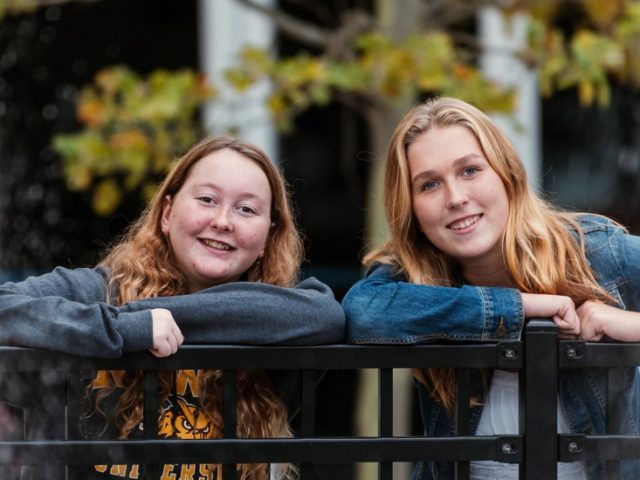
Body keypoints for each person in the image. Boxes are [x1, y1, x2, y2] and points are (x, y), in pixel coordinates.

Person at [0, 135, 345, 480]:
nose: (224, 221)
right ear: (167, 213)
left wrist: (152, 316)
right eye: (207, 199)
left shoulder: (280, 317)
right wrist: (123, 328)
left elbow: (325, 315)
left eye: (246, 209)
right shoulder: (104, 290)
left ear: (267, 239)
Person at [342, 97, 640, 480]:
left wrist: (627, 325)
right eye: (430, 184)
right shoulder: (416, 277)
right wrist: (519, 307)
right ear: (411, 208)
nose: (455, 198)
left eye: (469, 170)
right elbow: (364, 313)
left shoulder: (596, 253)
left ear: (507, 173)